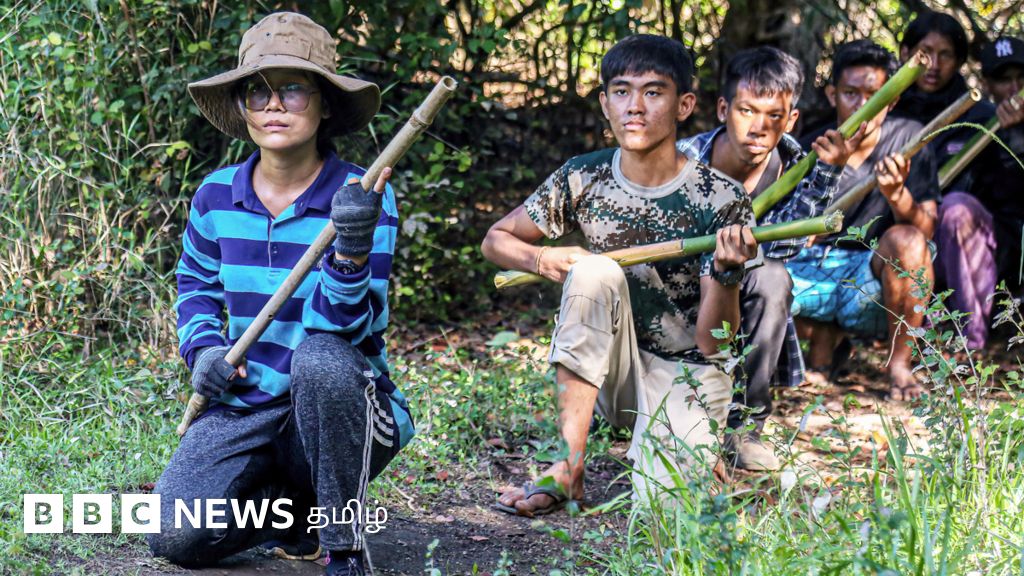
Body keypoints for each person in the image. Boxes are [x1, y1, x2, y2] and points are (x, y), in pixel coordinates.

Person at [146, 13, 414, 576]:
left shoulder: (363, 196)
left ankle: (343, 545)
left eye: (293, 89)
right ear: (242, 106)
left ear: (324, 105)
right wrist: (205, 352)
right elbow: (194, 288)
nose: (274, 105)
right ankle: (294, 513)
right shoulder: (215, 196)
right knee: (174, 534)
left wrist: (351, 248)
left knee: (319, 360)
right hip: (247, 404)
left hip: (344, 404)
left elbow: (344, 331)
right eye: (258, 91)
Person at [482, 34, 759, 515]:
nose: (635, 107)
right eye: (622, 91)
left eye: (653, 92)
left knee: (668, 511)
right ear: (604, 103)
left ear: (684, 105)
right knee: (592, 273)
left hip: (688, 372)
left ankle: (698, 452)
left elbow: (714, 342)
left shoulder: (722, 197)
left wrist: (727, 272)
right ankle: (567, 466)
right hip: (613, 370)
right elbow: (496, 240)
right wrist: (541, 259)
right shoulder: (583, 176)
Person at [677, 46, 862, 471]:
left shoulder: (798, 165)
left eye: (774, 116)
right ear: (723, 109)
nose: (759, 128)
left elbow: (787, 244)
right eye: (746, 111)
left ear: (791, 119)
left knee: (774, 279)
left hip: (739, 284)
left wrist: (829, 172)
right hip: (677, 294)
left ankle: (745, 426)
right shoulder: (683, 159)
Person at [788, 40, 939, 400]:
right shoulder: (810, 146)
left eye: (874, 95)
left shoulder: (910, 139)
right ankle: (823, 338)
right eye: (850, 94)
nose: (862, 106)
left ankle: (899, 365)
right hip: (812, 274)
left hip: (870, 280)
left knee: (909, 242)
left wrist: (897, 194)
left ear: (892, 100)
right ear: (832, 95)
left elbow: (926, 232)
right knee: (757, 274)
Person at [891, 11, 998, 347]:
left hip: (969, 235)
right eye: (925, 53)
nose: (934, 65)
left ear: (960, 61)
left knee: (954, 209)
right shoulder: (888, 113)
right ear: (905, 54)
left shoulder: (981, 115)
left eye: (946, 55)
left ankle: (971, 340)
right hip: (906, 226)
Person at [940, 35, 1024, 344]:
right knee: (955, 210)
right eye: (1004, 80)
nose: (1014, 89)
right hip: (991, 244)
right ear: (987, 84)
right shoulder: (975, 123)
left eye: (1021, 79)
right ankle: (971, 340)